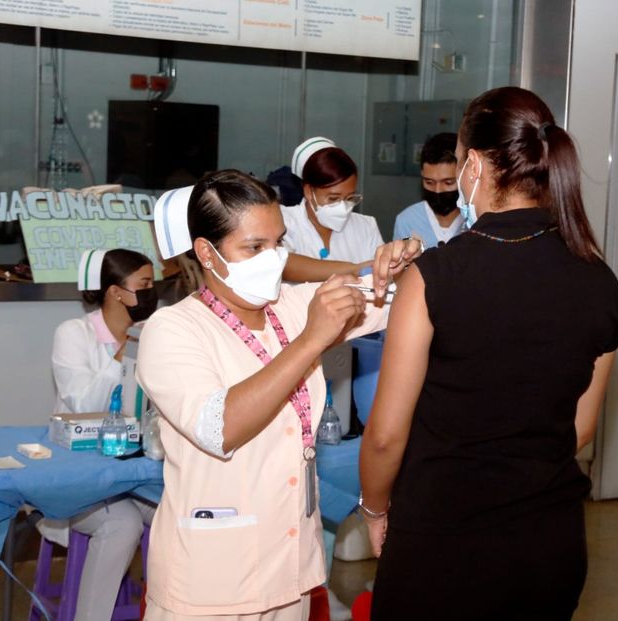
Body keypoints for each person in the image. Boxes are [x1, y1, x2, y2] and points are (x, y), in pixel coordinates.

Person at [358, 87, 618, 620]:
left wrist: (373, 508)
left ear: (475, 164)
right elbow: (582, 427)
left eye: (457, 163)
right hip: (550, 543)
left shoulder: (436, 277)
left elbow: (386, 435)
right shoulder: (599, 279)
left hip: (442, 541)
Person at [137, 169, 421, 620]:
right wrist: (311, 341)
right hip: (213, 582)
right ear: (207, 253)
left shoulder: (290, 305)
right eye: (254, 247)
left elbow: (399, 296)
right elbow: (219, 428)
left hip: (290, 571)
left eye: (278, 243)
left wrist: (406, 263)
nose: (273, 258)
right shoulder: (172, 330)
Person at [47, 248, 158, 621]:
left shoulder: (156, 332)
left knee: (178, 515)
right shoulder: (74, 334)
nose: (151, 292)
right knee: (121, 523)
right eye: (143, 285)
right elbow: (82, 403)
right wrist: (126, 351)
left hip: (133, 471)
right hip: (80, 473)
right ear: (115, 292)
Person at [281, 137, 384, 282]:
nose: (343, 207)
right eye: (333, 198)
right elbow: (283, 265)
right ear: (309, 191)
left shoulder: (366, 226)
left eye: (349, 198)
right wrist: (355, 269)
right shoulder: (284, 221)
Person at [392, 132, 463, 249]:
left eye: (448, 182)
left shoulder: (475, 221)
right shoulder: (407, 221)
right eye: (429, 182)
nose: (438, 190)